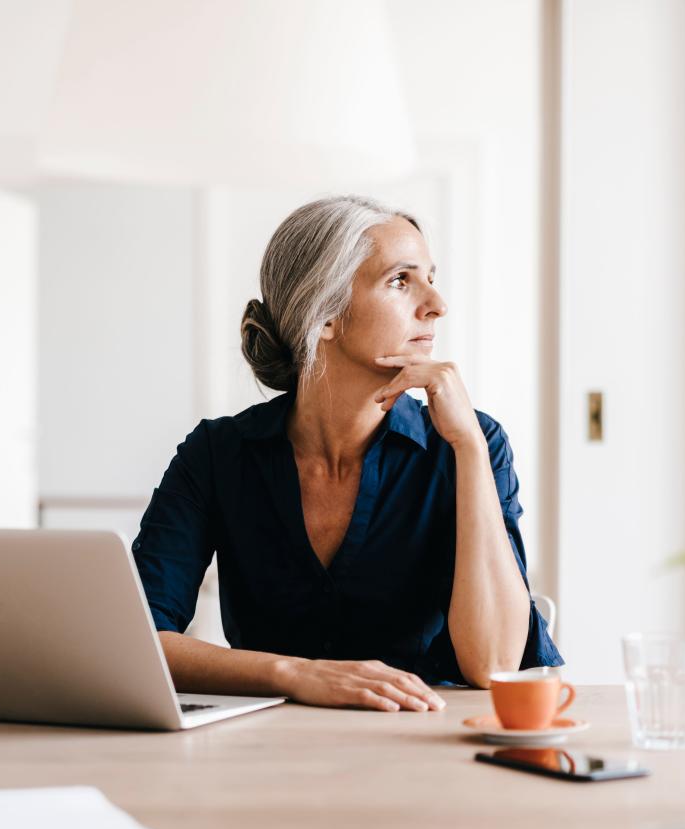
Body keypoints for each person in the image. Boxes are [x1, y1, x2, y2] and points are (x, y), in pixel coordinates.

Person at [131, 195, 562, 713]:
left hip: (433, 748)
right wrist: (296, 674)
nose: (437, 304)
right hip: (265, 755)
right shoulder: (217, 455)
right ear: (327, 314)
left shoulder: (473, 443)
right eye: (401, 280)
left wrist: (468, 447)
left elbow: (492, 665)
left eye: (431, 276)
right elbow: (138, 641)